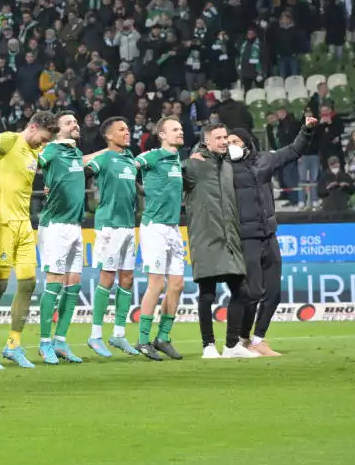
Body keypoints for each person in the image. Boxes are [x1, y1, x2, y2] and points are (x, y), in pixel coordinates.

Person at [228, 117, 315, 356]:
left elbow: (294, 150)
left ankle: (258, 339)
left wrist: (306, 129)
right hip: (246, 238)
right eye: (228, 141)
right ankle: (243, 337)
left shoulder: (265, 160)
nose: (230, 145)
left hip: (269, 235)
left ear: (246, 143)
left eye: (235, 141)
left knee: (274, 293)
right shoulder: (224, 168)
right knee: (253, 292)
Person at [0, 110, 57, 368]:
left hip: (25, 225)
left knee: (28, 283)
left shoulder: (36, 151)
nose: (43, 143)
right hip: (1, 223)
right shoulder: (9, 140)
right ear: (33, 126)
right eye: (43, 138)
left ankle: (13, 344)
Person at [183, 123, 254, 359]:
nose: (224, 141)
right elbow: (169, 181)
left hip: (229, 238)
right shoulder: (194, 165)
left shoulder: (227, 166)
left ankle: (232, 345)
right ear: (207, 142)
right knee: (207, 294)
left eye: (226, 137)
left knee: (241, 292)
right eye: (219, 138)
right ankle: (208, 346)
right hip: (205, 237)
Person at [84, 117, 141, 358]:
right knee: (107, 277)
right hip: (109, 225)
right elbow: (83, 170)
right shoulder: (104, 159)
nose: (127, 133)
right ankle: (95, 335)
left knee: (127, 278)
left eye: (127, 129)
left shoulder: (130, 159)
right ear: (109, 135)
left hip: (128, 225)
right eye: (122, 130)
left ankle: (118, 334)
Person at [133, 117, 187, 361]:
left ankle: (163, 337)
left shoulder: (177, 159)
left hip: (174, 228)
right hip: (154, 227)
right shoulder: (152, 156)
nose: (180, 132)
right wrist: (136, 188)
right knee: (157, 284)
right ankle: (143, 340)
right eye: (175, 129)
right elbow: (129, 166)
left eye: (181, 129)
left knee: (177, 285)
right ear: (162, 135)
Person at [35, 112, 86, 365]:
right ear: (56, 130)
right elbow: (32, 161)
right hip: (55, 225)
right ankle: (44, 342)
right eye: (69, 123)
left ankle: (61, 341)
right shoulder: (51, 150)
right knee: (54, 281)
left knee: (73, 283)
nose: (75, 125)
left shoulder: (74, 153)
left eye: (75, 122)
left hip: (76, 225)